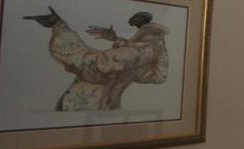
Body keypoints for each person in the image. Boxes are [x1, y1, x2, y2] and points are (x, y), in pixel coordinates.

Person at [22, 7, 170, 112]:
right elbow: (128, 61)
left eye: (135, 18)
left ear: (142, 20)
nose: (131, 20)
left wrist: (60, 27)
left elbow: (98, 64)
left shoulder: (146, 47)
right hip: (101, 108)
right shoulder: (150, 45)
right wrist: (117, 40)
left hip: (88, 106)